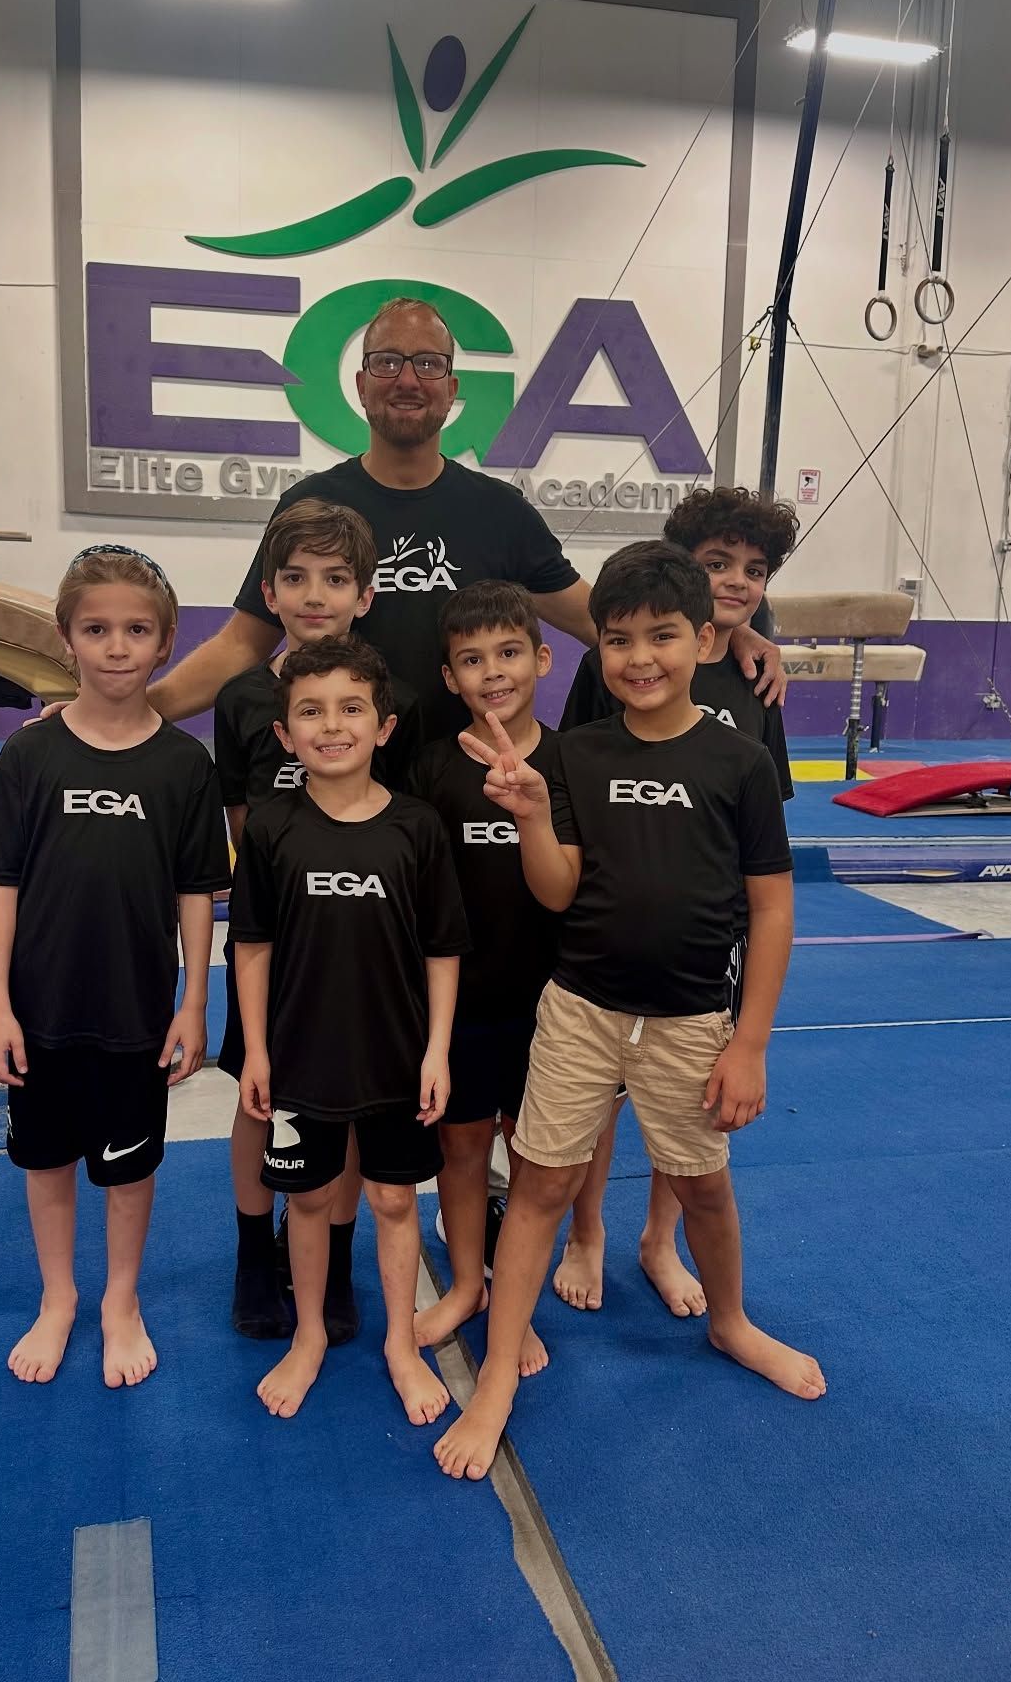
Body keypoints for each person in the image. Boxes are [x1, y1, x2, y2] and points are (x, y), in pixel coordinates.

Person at [434, 541, 824, 1483]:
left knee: (704, 1185)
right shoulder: (577, 755)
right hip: (581, 1009)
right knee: (539, 1184)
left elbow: (772, 907)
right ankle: (497, 1374)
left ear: (706, 638)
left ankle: (731, 1322)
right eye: (617, 641)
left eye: (661, 637)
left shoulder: (739, 763)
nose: (639, 658)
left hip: (692, 1018)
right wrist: (532, 812)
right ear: (595, 649)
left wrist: (752, 1043)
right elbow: (560, 891)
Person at [118, 296, 787, 740]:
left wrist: (726, 639)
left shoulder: (497, 512)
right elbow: (242, 645)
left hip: (463, 782)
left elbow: (603, 620)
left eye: (428, 365)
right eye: (387, 362)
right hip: (343, 771)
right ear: (359, 384)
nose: (407, 380)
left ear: (452, 389)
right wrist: (126, 712)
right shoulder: (312, 508)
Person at [0, 546, 230, 1389]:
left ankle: (121, 1298)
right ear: (65, 637)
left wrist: (194, 1004)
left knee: (129, 1168)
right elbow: (0, 888)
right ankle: (59, 1297)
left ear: (164, 644)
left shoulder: (185, 765)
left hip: (136, 1010)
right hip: (39, 1007)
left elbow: (198, 893)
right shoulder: (30, 757)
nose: (116, 647)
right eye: (96, 629)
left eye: (136, 631)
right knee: (45, 1162)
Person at [554, 485, 800, 1320]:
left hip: (706, 943)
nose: (734, 582)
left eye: (753, 571)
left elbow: (764, 854)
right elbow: (579, 775)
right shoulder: (616, 668)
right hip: (604, 938)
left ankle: (658, 1239)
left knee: (680, 1106)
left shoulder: (758, 680)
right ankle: (587, 1228)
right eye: (716, 565)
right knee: (601, 1093)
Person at [230, 636, 471, 1422]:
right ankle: (308, 1335)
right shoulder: (268, 827)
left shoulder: (417, 827)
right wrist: (259, 1050)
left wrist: (436, 1050)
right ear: (285, 735)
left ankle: (401, 1342)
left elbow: (442, 950)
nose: (332, 726)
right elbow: (253, 946)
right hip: (302, 1056)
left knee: (395, 1201)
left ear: (384, 726)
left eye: (351, 709)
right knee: (305, 1202)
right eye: (311, 711)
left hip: (397, 1058)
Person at [216, 497, 418, 1345]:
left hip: (357, 948)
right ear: (269, 591)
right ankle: (252, 1252)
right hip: (277, 941)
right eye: (294, 578)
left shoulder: (387, 696)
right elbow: (239, 822)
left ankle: (334, 1257)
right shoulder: (240, 702)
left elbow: (390, 816)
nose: (314, 595)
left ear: (365, 595)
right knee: (261, 1100)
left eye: (336, 579)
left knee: (342, 1105)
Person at [407, 582, 560, 1376]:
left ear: (541, 657)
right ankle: (468, 1282)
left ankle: (515, 1298)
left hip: (550, 1007)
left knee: (533, 1158)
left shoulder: (569, 762)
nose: (492, 673)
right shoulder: (432, 771)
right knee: (461, 1148)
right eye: (472, 660)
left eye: (507, 653)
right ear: (448, 677)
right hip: (460, 1006)